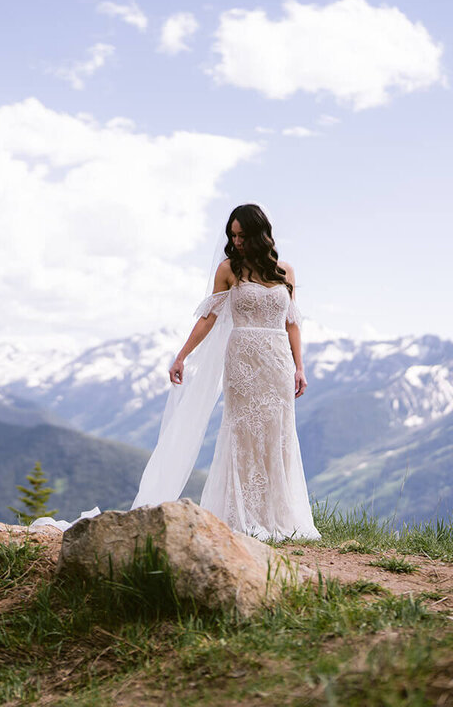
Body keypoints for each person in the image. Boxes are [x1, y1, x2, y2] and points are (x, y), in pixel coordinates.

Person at [132, 204, 320, 541]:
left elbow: (292, 323)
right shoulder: (228, 269)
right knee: (243, 433)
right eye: (232, 236)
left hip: (277, 361)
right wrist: (182, 356)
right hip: (242, 362)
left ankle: (278, 515)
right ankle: (241, 514)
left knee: (277, 434)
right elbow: (209, 318)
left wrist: (300, 367)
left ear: (259, 234)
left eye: (242, 235)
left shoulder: (286, 272)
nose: (236, 242)